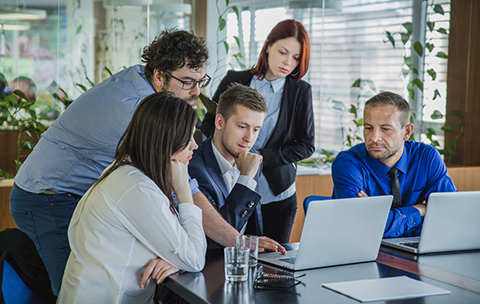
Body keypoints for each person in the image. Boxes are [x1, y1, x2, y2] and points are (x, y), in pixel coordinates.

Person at [10, 29, 279, 296]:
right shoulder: (137, 111)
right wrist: (238, 241)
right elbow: (186, 189)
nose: (196, 92)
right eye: (187, 82)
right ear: (159, 75)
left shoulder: (148, 87)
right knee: (71, 287)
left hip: (82, 191)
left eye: (200, 81)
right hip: (48, 195)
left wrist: (178, 254)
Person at [56, 92, 206, 303]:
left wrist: (175, 258)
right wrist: (184, 193)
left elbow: (185, 252)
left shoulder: (127, 172)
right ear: (165, 140)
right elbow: (195, 258)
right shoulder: (137, 188)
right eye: (187, 138)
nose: (195, 145)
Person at [201, 19, 315, 243]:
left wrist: (260, 158)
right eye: (283, 52)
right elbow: (209, 123)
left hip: (276, 194)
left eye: (296, 58)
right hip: (232, 188)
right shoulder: (236, 79)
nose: (288, 62)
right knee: (230, 253)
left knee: (273, 264)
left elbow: (306, 144)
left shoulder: (300, 91)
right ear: (268, 46)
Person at [331, 91, 457, 238]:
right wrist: (419, 210)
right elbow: (361, 226)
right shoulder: (348, 163)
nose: (374, 138)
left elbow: (450, 214)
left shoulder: (426, 158)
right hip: (356, 252)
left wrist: (378, 217)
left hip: (414, 250)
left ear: (407, 132)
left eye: (385, 129)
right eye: (368, 128)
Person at [190, 84, 285, 251]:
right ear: (219, 122)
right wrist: (246, 178)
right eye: (242, 127)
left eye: (256, 130)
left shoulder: (251, 156)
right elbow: (219, 237)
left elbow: (251, 225)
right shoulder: (195, 168)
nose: (249, 138)